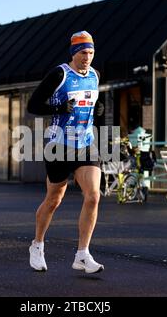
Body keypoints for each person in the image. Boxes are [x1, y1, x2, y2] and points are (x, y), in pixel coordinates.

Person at [26, 31, 105, 274]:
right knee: (54, 200)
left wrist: (99, 110)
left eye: (91, 53)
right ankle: (37, 245)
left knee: (93, 195)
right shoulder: (59, 74)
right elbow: (33, 105)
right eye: (83, 53)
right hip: (59, 145)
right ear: (74, 53)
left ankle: (82, 254)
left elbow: (92, 108)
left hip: (85, 144)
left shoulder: (94, 75)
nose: (87, 57)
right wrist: (59, 106)